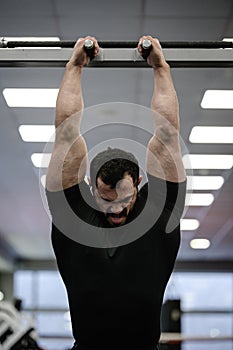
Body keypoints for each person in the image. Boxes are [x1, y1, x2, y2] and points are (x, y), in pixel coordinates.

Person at [45, 35, 187, 350]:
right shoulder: (73, 218)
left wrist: (160, 67)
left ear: (137, 183)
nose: (116, 210)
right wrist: (74, 67)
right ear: (91, 187)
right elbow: (66, 132)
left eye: (124, 199)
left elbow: (166, 133)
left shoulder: (158, 216)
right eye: (106, 200)